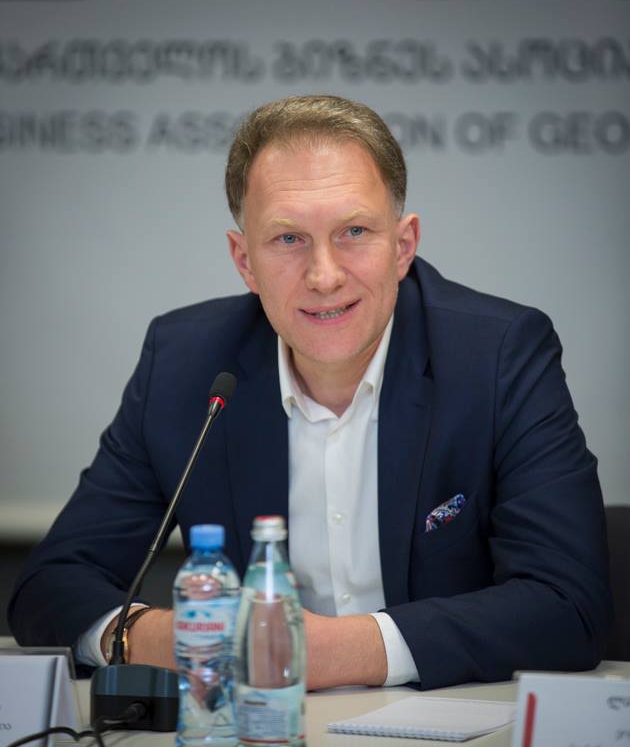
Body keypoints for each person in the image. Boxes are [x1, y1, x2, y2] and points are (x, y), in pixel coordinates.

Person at [9, 94, 612, 691]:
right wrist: (167, 637)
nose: (324, 276)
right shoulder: (185, 366)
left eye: (354, 231)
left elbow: (568, 604)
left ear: (403, 246)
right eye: (288, 239)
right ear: (244, 260)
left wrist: (327, 652)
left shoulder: (500, 356)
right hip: (259, 725)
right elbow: (51, 585)